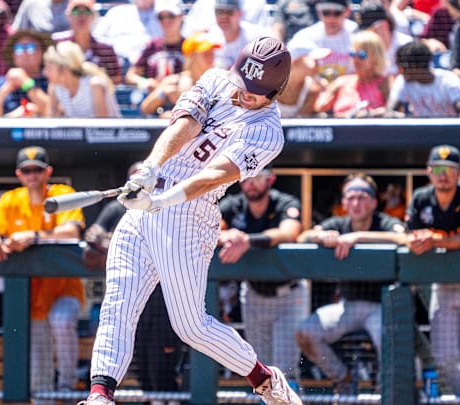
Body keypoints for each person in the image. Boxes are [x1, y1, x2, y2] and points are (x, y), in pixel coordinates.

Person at [79, 36, 302, 405]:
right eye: (244, 84)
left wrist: (169, 195)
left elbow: (217, 172)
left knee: (190, 326)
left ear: (274, 92)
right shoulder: (216, 79)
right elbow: (184, 124)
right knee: (118, 303)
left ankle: (265, 379)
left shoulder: (269, 131)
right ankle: (101, 394)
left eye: (256, 91)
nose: (245, 94)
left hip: (189, 212)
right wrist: (151, 168)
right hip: (148, 205)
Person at [0, 146, 85, 405]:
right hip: (31, 299)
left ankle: (68, 386)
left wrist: (34, 237)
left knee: (61, 321)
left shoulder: (62, 194)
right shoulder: (11, 200)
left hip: (64, 290)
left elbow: (72, 232)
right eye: (27, 170)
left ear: (48, 171)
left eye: (37, 169)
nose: (32, 175)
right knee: (39, 377)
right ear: (19, 174)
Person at [295, 173, 408, 395]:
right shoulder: (338, 223)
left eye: (362, 197)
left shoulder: (383, 222)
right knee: (305, 332)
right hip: (348, 305)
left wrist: (358, 237)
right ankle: (342, 377)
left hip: (381, 306)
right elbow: (303, 238)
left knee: (388, 343)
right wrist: (322, 237)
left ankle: (386, 393)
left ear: (374, 202)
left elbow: (403, 237)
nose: (356, 203)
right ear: (344, 202)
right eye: (351, 197)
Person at [82, 162, 184, 405]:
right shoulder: (116, 209)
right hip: (132, 297)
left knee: (162, 365)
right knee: (139, 365)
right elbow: (92, 238)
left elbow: (168, 250)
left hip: (164, 301)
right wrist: (131, 251)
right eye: (133, 178)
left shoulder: (163, 206)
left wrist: (136, 250)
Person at [217, 168, 307, 389]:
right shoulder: (233, 204)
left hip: (289, 294)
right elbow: (207, 229)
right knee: (258, 366)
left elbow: (290, 232)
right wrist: (225, 235)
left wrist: (248, 241)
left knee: (285, 369)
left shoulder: (284, 202)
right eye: (247, 178)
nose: (251, 183)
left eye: (257, 177)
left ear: (270, 179)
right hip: (253, 293)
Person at [406, 144, 460, 396]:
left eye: (449, 169)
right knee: (444, 357)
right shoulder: (421, 199)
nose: (443, 174)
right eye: (438, 168)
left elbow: (432, 238)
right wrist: (420, 240)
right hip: (443, 284)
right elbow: (413, 235)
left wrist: (436, 240)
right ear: (428, 172)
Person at [0, 29, 53, 117]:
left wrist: (26, 83)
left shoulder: (49, 81)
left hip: (39, 129)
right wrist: (6, 89)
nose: (24, 53)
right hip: (3, 129)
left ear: (41, 53)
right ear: (13, 55)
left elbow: (54, 111)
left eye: (31, 47)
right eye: (18, 48)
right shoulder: (0, 82)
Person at [139, 31, 219, 117]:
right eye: (205, 53)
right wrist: (163, 93)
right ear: (192, 56)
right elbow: (145, 108)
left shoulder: (217, 82)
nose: (211, 56)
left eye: (212, 52)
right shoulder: (174, 81)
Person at [314, 30, 391, 118]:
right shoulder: (342, 82)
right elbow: (319, 107)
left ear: (376, 57)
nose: (356, 59)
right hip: (343, 130)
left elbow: (392, 111)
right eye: (353, 54)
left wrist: (369, 114)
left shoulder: (384, 83)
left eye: (362, 55)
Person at [51, 0, 122, 85]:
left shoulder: (106, 48)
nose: (81, 15)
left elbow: (115, 81)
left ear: (94, 16)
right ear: (68, 16)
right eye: (75, 11)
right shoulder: (57, 43)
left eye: (87, 11)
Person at [42, 41, 121, 117]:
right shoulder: (54, 88)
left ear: (65, 70)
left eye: (49, 68)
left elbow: (103, 127)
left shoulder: (95, 85)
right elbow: (49, 123)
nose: (44, 72)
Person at [386, 40, 460, 117]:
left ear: (415, 67)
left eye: (401, 68)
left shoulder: (449, 79)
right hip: (419, 129)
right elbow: (390, 111)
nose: (400, 72)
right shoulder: (402, 81)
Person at [289, 0, 358, 81]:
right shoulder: (304, 38)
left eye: (337, 13)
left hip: (348, 90)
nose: (331, 19)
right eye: (326, 13)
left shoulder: (357, 36)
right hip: (315, 91)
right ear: (319, 12)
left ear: (347, 11)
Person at [125, 0, 185, 92]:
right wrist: (144, 82)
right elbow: (130, 75)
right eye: (161, 17)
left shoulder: (189, 46)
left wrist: (177, 79)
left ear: (181, 16)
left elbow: (196, 75)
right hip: (153, 99)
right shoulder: (152, 45)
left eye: (171, 16)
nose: (166, 21)